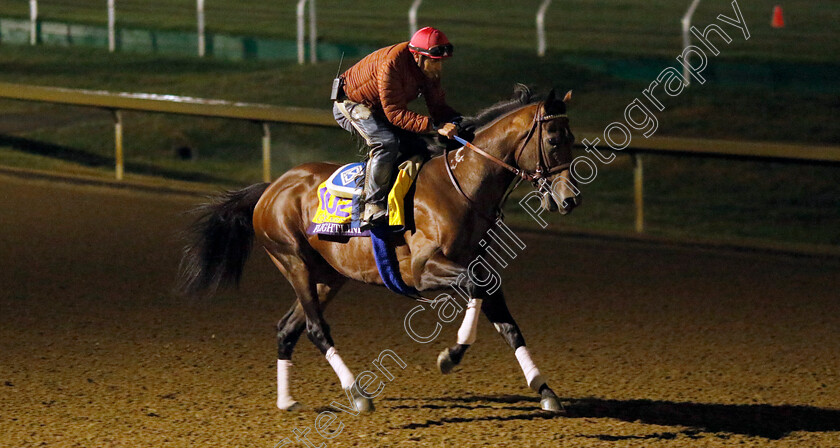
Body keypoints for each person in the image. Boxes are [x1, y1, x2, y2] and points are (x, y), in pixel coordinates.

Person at [332, 26, 462, 228]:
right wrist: (435, 125)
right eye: (435, 62)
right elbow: (395, 114)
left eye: (441, 63)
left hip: (378, 107)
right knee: (386, 143)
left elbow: (437, 106)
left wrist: (459, 121)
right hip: (349, 104)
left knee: (418, 145)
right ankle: (371, 206)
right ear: (417, 57)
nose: (439, 68)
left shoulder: (427, 69)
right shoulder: (391, 64)